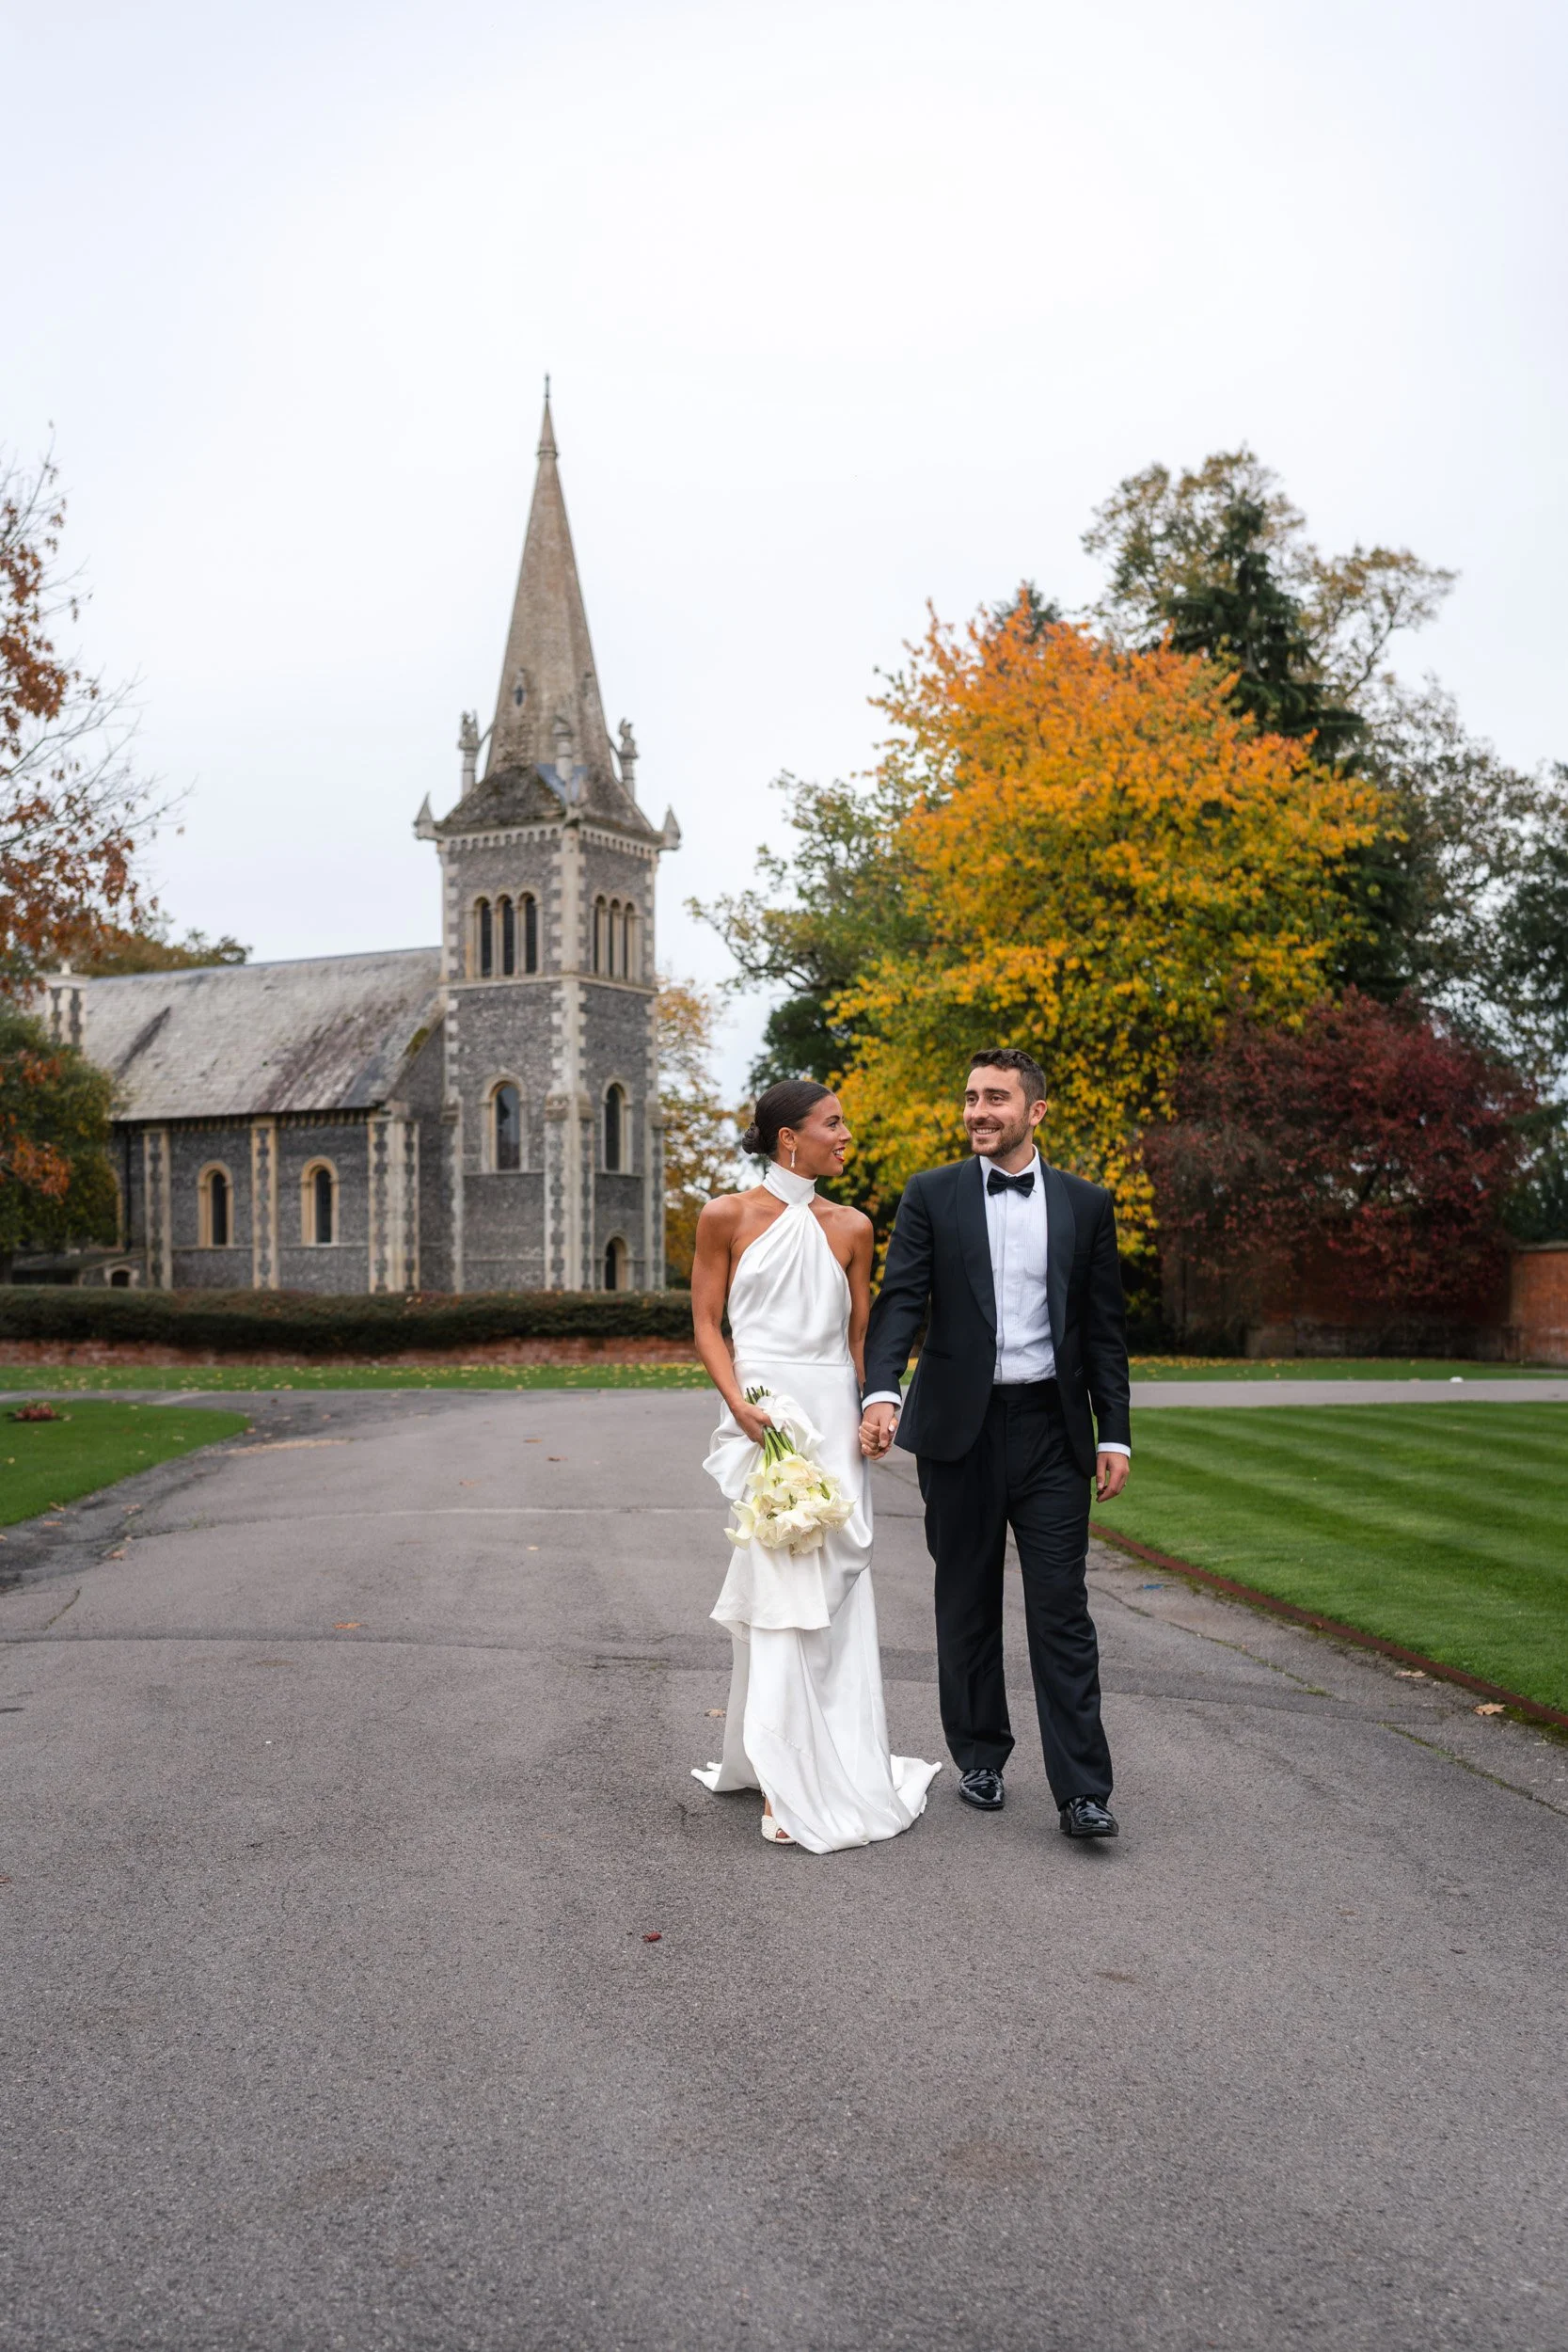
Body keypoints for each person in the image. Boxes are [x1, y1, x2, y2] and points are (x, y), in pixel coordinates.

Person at [859, 1050, 1132, 1838]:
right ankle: (980, 1755)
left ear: (1034, 1112)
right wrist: (881, 1390)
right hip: (958, 1432)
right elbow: (901, 1302)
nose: (977, 1111)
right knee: (966, 1600)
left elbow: (1105, 1333)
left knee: (1061, 1610)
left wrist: (1112, 1432)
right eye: (970, 1097)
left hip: (1051, 1429)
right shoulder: (931, 1194)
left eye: (995, 1099)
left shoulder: (1087, 1203)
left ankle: (1083, 1790)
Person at [689, 1079, 941, 1851]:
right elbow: (705, 1321)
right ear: (786, 1137)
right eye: (832, 1123)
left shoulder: (854, 1227)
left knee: (833, 1590)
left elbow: (863, 1337)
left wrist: (877, 1405)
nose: (846, 1135)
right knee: (779, 1589)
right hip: (766, 1411)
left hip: (831, 1413)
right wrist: (737, 1405)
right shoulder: (725, 1216)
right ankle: (780, 1773)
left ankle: (839, 1755)